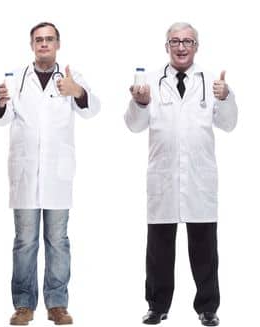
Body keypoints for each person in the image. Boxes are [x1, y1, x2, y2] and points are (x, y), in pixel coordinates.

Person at [0, 22, 98, 326]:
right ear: (32, 45)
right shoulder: (16, 77)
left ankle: (57, 304)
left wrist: (77, 91)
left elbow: (92, 109)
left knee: (58, 240)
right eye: (39, 40)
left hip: (57, 175)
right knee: (25, 241)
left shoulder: (71, 77)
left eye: (49, 39)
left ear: (58, 44)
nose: (44, 44)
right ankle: (23, 305)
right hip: (24, 175)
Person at [126, 22, 235, 327]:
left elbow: (229, 124)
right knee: (159, 250)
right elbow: (133, 125)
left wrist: (226, 97)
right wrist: (141, 102)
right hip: (164, 178)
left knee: (205, 250)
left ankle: (208, 307)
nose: (181, 46)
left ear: (196, 46)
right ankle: (157, 306)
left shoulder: (213, 82)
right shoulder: (148, 82)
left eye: (187, 41)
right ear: (167, 47)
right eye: (175, 41)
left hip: (200, 179)